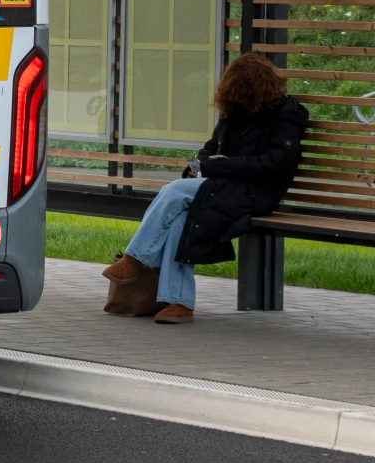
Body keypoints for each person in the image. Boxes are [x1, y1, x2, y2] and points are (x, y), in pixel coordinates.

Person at [102, 53, 307, 324]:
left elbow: (277, 163)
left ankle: (136, 259)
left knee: (175, 191)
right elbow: (211, 148)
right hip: (222, 186)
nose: (235, 99)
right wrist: (196, 166)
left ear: (256, 89)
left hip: (254, 194)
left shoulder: (284, 116)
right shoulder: (235, 112)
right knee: (181, 220)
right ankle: (180, 303)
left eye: (241, 92)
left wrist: (217, 167)